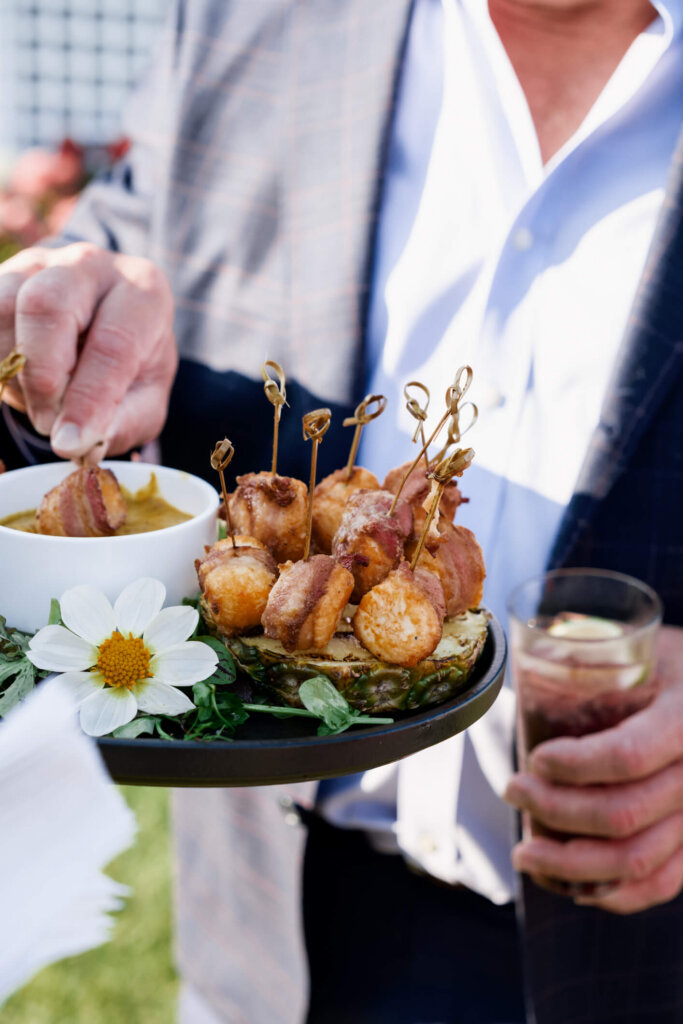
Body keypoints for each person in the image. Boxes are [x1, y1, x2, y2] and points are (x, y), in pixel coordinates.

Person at [1, 0, 682, 1021]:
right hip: (273, 939)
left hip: (640, 962)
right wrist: (54, 335)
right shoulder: (247, 18)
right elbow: (104, 314)